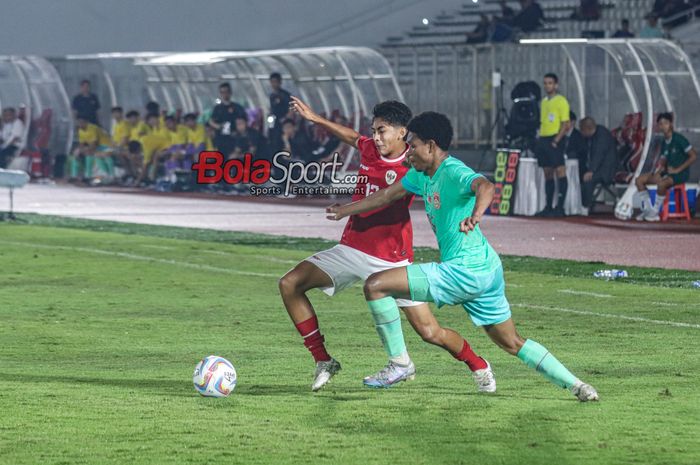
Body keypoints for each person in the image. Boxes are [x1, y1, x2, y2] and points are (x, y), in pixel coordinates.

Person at [327, 111, 599, 402]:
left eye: (413, 145)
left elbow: (485, 186)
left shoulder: (452, 170)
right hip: (488, 269)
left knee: (375, 285)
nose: (409, 153)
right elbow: (385, 196)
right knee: (512, 342)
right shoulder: (421, 175)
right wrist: (346, 210)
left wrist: (476, 215)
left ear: (431, 146)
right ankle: (578, 386)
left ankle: (400, 364)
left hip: (463, 271)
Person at [280, 98, 494, 392]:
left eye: (382, 131)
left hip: (391, 258)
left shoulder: (416, 163)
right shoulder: (369, 148)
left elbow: (394, 195)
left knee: (430, 332)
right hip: (352, 247)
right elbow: (351, 137)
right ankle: (323, 360)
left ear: (403, 132)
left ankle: (478, 365)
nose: (376, 137)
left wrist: (468, 213)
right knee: (290, 283)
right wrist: (316, 118)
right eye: (374, 130)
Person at [635, 113, 697, 221]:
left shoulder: (679, 139)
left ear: (671, 124)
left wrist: (677, 169)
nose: (663, 126)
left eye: (666, 123)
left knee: (662, 184)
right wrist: (658, 172)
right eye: (660, 124)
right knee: (639, 180)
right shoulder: (664, 141)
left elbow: (693, 156)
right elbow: (663, 159)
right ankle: (648, 210)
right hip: (668, 172)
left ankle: (655, 212)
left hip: (681, 173)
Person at [535, 73, 571, 217]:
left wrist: (557, 140)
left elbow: (565, 123)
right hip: (543, 138)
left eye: (550, 83)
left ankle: (560, 207)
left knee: (560, 171)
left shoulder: (561, 101)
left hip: (555, 139)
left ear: (556, 85)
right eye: (545, 83)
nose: (547, 86)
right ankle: (548, 206)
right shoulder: (544, 101)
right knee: (547, 173)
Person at [578, 117, 618, 214]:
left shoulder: (602, 136)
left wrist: (591, 171)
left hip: (607, 170)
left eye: (582, 130)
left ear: (587, 129)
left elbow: (598, 155)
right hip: (598, 168)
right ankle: (579, 203)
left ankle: (585, 206)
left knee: (588, 180)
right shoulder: (593, 136)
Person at [209, 82, 247, 158]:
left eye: (226, 92)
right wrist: (218, 126)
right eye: (222, 92)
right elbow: (211, 121)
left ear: (230, 92)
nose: (225, 94)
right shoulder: (218, 108)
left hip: (234, 139)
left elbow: (244, 121)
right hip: (221, 139)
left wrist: (238, 131)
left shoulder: (237, 108)